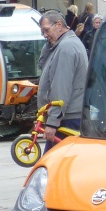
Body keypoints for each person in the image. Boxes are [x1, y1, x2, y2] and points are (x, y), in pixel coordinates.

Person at [37, 10, 88, 151]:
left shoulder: (66, 47)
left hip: (66, 119)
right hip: (66, 117)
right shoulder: (64, 44)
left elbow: (61, 87)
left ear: (59, 25)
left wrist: (53, 122)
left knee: (54, 162)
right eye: (42, 32)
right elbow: (42, 65)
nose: (45, 35)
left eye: (46, 30)